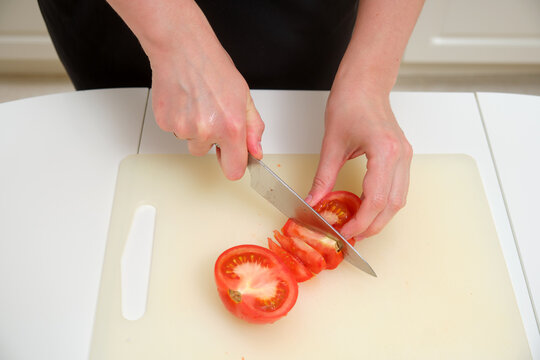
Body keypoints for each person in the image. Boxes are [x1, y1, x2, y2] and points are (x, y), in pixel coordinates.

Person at [38, 0, 424, 241]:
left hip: (304, 16)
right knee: (106, 164)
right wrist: (171, 33)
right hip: (129, 17)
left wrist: (370, 79)